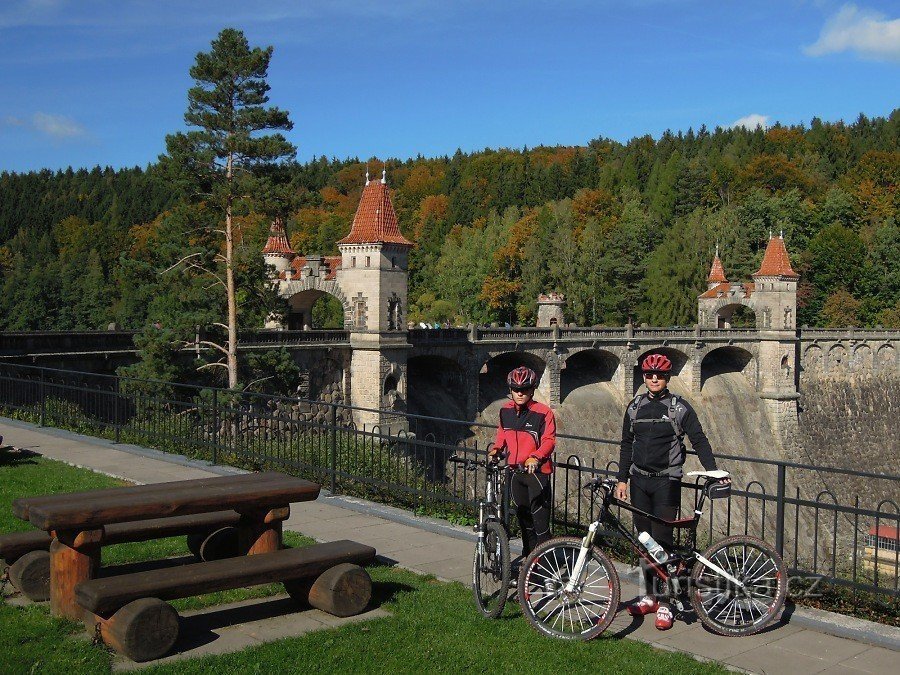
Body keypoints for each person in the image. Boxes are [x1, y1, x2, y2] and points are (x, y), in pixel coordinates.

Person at [616, 353, 726, 630]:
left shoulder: (679, 407)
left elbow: (699, 439)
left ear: (667, 378)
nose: (654, 379)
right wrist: (621, 480)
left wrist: (712, 471)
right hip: (639, 480)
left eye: (660, 375)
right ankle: (650, 596)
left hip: (667, 482)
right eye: (650, 375)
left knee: (662, 543)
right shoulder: (634, 407)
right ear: (643, 377)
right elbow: (626, 444)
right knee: (644, 543)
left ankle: (666, 604)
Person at [489, 366, 556, 558]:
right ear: (510, 390)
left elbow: (549, 440)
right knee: (524, 523)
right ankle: (530, 563)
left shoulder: (543, 413)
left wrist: (536, 456)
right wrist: (497, 448)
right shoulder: (505, 411)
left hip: (537, 473)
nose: (520, 393)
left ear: (532, 390)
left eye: (524, 389)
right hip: (515, 473)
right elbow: (502, 433)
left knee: (540, 526)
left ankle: (546, 568)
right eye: (516, 389)